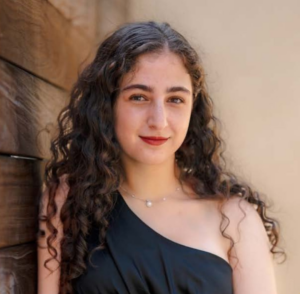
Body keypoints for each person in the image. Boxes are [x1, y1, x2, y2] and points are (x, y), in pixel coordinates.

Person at [37, 21, 285, 294]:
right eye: (139, 97)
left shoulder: (236, 219)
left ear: (193, 108)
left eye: (175, 100)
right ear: (106, 106)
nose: (159, 120)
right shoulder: (68, 200)